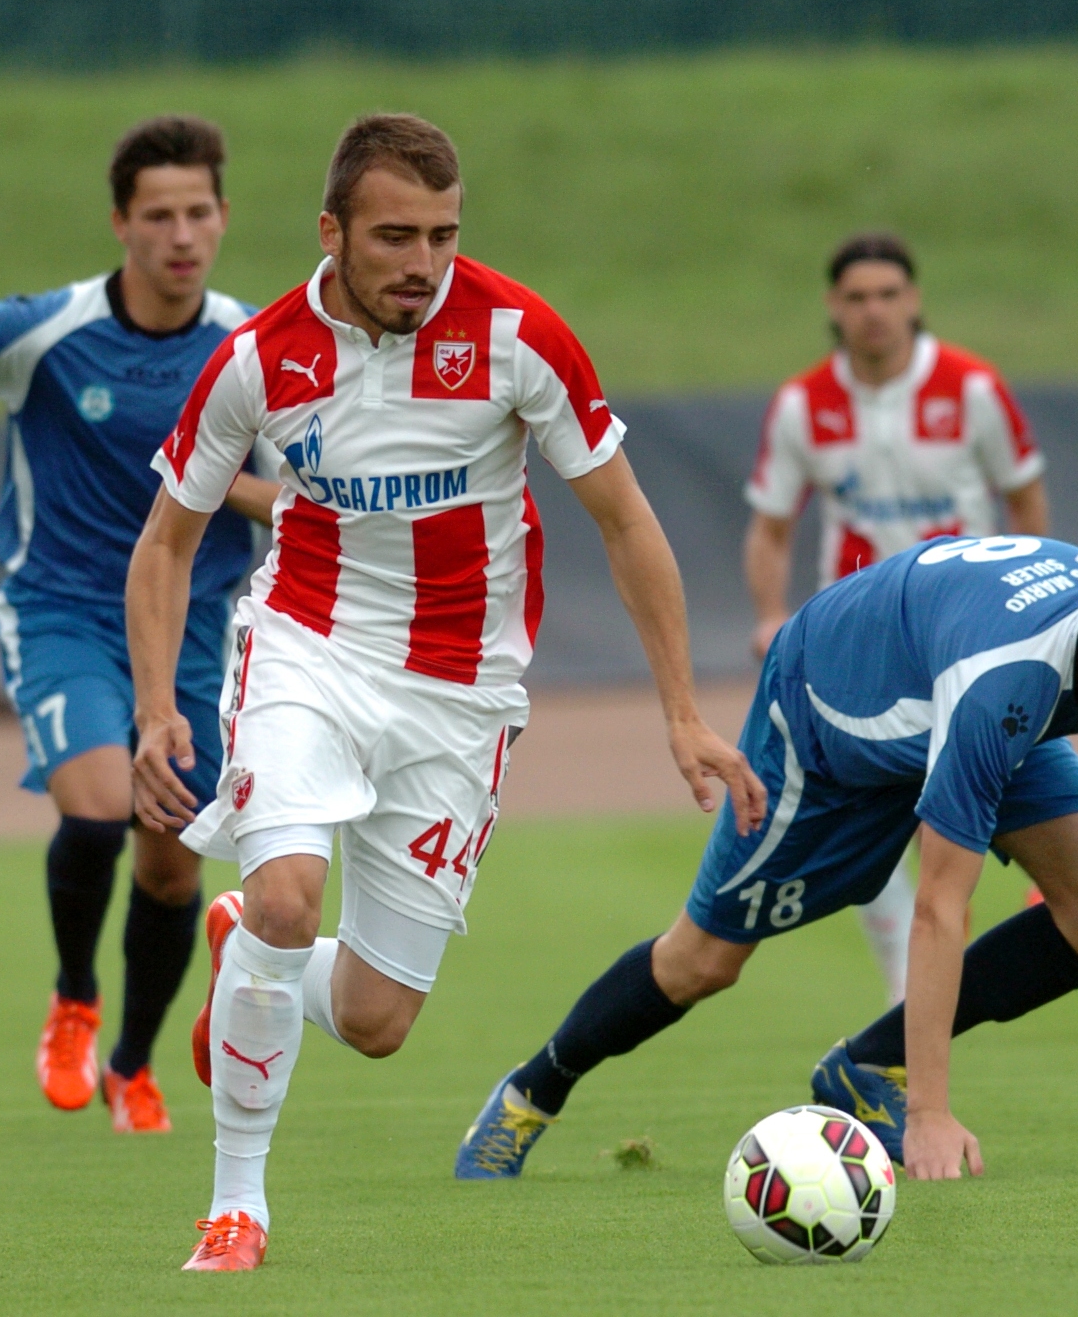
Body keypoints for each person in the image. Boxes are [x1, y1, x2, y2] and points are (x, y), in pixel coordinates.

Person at [126, 113, 762, 1272]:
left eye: (443, 235)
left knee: (375, 1021)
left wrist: (680, 712)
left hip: (461, 691)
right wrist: (158, 708)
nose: (423, 263)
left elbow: (625, 521)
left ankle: (246, 952)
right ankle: (235, 1208)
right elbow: (166, 543)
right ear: (330, 233)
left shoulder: (518, 337)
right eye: (394, 237)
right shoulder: (261, 359)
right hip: (305, 648)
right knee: (284, 898)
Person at [457, 528, 1078, 1182]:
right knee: (704, 961)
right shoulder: (1000, 681)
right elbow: (937, 906)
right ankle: (534, 1090)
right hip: (832, 715)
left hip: (961, 700)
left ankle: (866, 1064)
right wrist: (928, 1112)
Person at [0, 116, 275, 1134]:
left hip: (194, 625)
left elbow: (292, 492)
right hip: (64, 610)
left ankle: (135, 1064)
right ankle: (71, 998)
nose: (181, 234)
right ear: (121, 223)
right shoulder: (49, 331)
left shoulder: (253, 342)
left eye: (198, 212)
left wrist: (239, 488)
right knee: (104, 806)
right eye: (159, 215)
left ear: (224, 218)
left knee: (170, 859)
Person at [745, 232, 1050, 1004]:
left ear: (912, 300)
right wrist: (769, 614)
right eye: (856, 298)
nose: (873, 312)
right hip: (856, 642)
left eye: (887, 295)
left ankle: (1051, 882)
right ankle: (902, 997)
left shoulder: (971, 388)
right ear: (832, 308)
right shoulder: (801, 404)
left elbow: (1024, 492)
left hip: (962, 636)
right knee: (865, 815)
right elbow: (771, 525)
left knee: (957, 811)